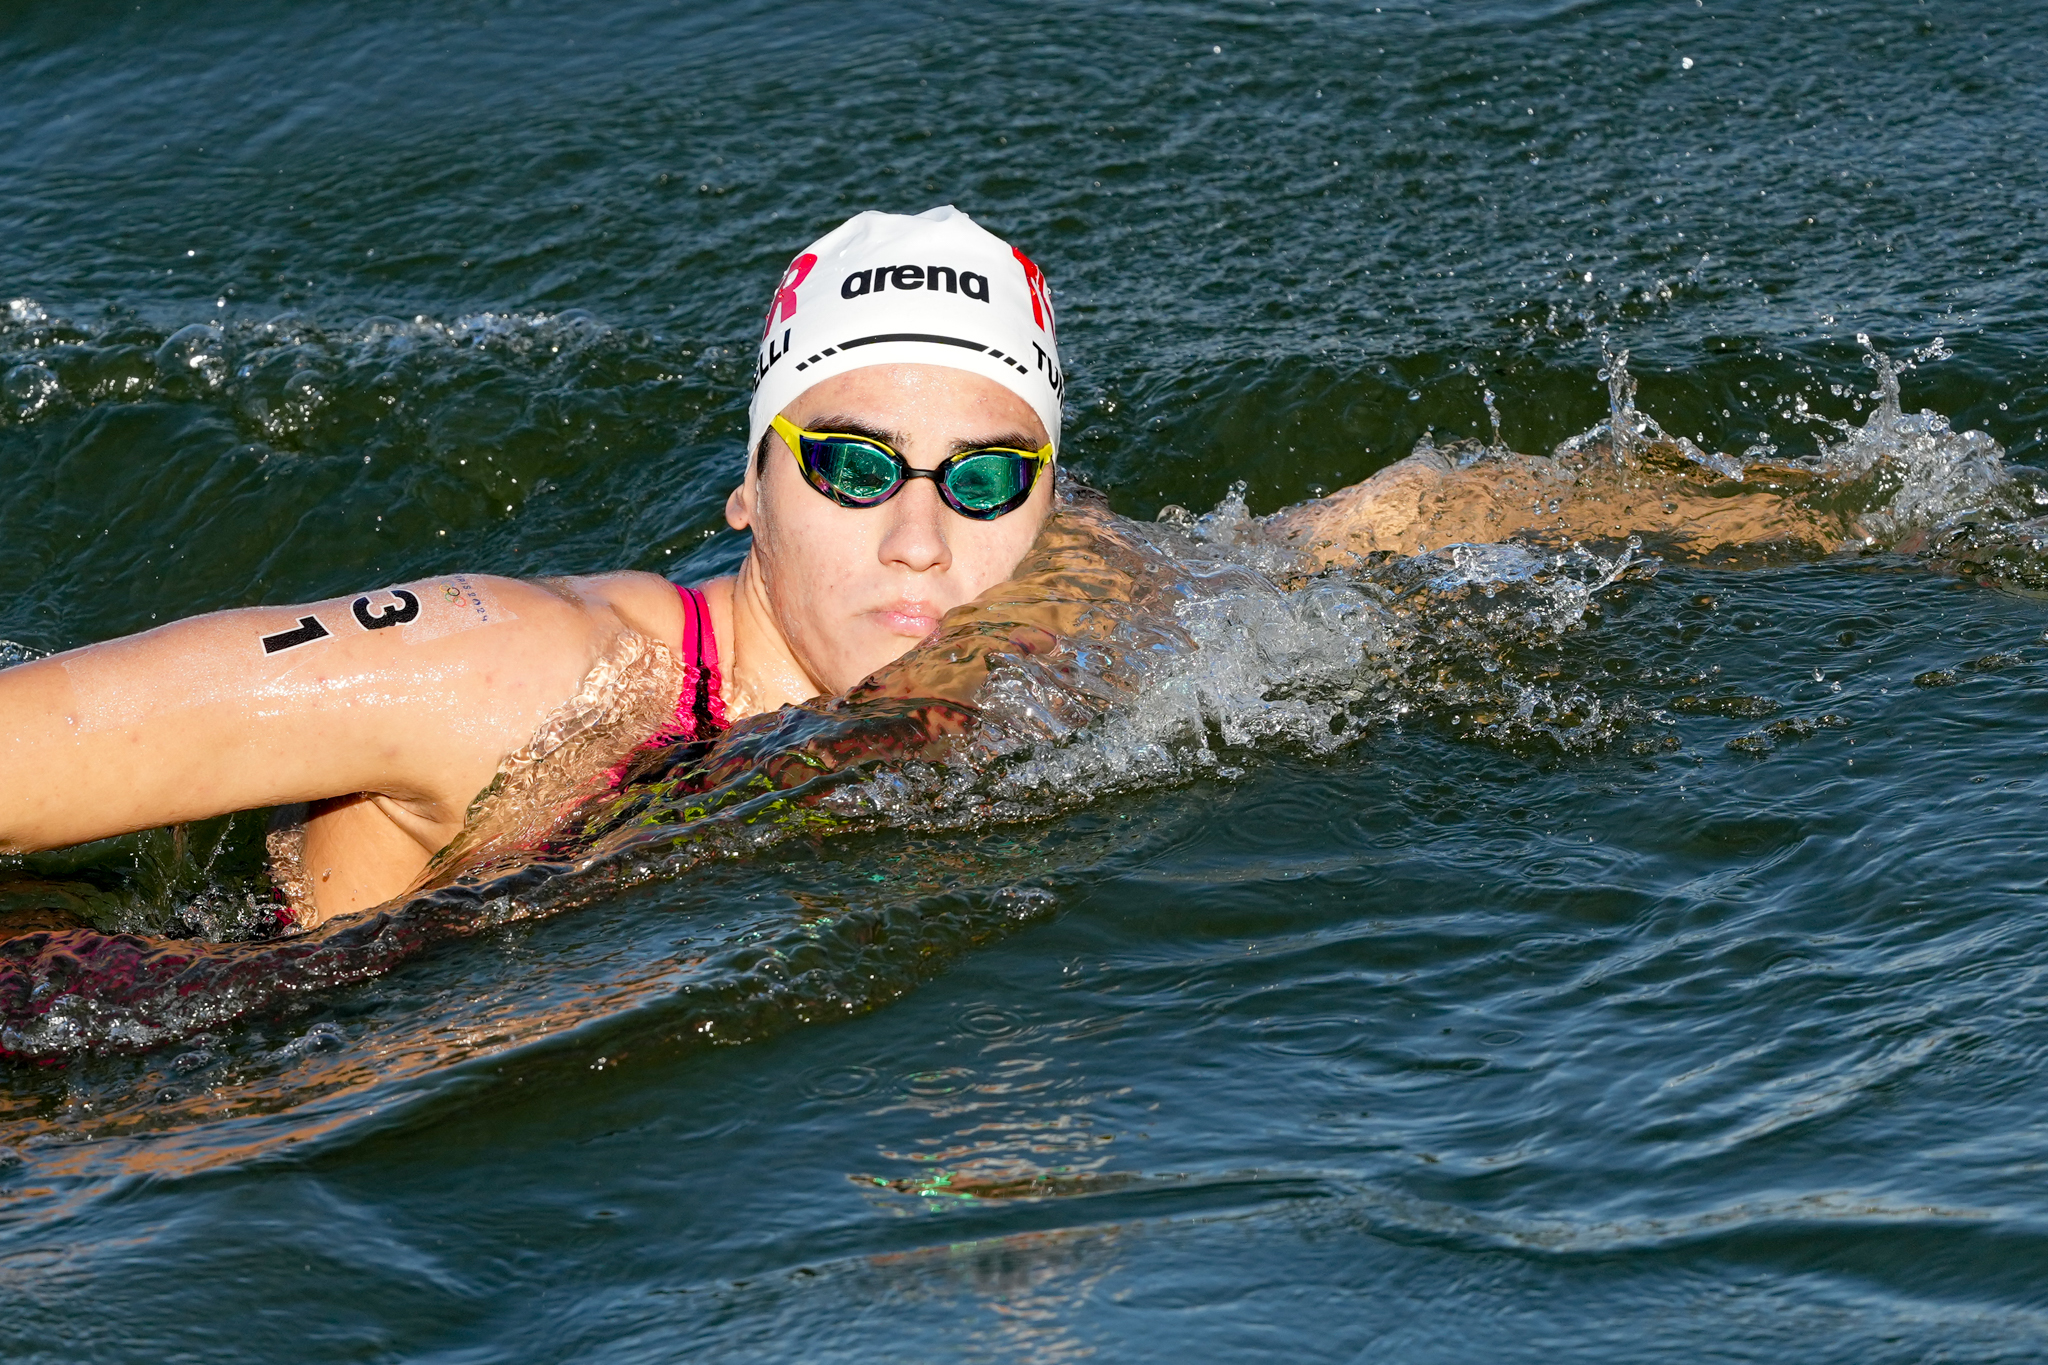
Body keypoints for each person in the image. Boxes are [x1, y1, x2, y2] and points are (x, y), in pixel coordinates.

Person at [0, 207, 1854, 930]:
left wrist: (1860, 511)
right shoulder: (514, 665)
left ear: (1055, 490)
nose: (918, 531)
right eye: (853, 460)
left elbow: (1403, 515)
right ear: (747, 481)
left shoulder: (1102, 600)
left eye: (987, 476)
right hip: (125, 1060)